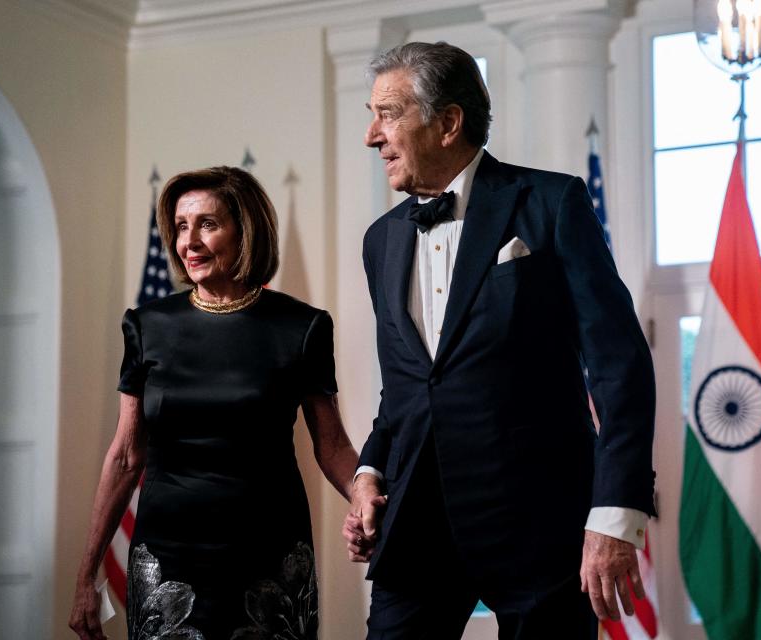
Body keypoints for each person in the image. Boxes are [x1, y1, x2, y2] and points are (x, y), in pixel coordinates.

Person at [342, 42, 657, 638]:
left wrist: (616, 515)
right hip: (415, 529)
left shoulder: (552, 203)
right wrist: (369, 472)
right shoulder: (379, 241)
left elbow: (620, 367)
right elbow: (406, 387)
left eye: (387, 114)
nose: (371, 136)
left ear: (448, 122)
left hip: (541, 524)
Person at [70, 166, 358, 640]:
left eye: (208, 224)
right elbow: (125, 455)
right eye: (182, 226)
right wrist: (86, 575)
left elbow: (332, 447)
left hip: (269, 554)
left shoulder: (301, 327)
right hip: (168, 557)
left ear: (246, 231)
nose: (190, 242)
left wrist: (367, 499)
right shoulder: (146, 326)